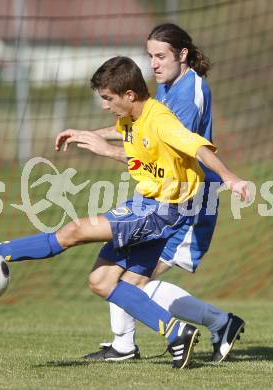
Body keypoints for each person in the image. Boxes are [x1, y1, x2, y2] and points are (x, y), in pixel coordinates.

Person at [0, 56, 250, 369]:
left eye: (108, 99)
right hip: (149, 205)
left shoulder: (160, 121)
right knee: (102, 281)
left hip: (162, 209)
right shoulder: (132, 120)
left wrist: (230, 178)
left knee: (74, 231)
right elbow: (123, 134)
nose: (105, 105)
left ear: (130, 95)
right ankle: (177, 333)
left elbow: (197, 147)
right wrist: (85, 134)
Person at [55, 23, 245, 364]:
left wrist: (108, 151)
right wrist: (89, 134)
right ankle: (125, 344)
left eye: (161, 56)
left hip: (189, 203)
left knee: (132, 279)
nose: (154, 64)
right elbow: (137, 130)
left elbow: (168, 152)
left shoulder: (190, 93)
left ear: (182, 55)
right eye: (150, 56)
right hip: (167, 199)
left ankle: (219, 323)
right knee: (124, 272)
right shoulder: (167, 89)